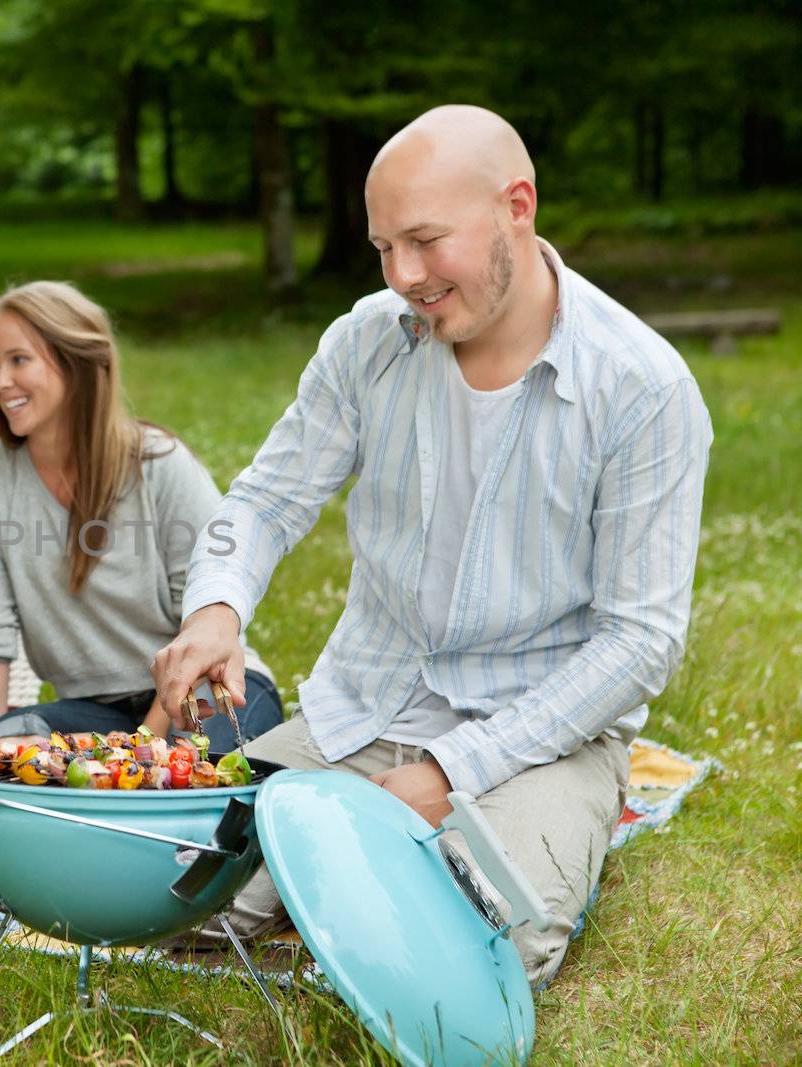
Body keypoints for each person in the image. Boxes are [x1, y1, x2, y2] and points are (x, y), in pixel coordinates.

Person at [151, 105, 712, 986]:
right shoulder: (367, 343)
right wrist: (217, 608)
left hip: (541, 742)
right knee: (173, 895)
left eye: (425, 240)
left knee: (481, 948)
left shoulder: (644, 388)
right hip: (365, 712)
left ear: (516, 206)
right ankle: (343, 863)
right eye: (383, 247)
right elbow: (266, 498)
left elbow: (639, 641)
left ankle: (494, 852)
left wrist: (454, 771)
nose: (403, 275)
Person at [0, 281, 282, 752]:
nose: (0, 381)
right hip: (94, 709)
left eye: (18, 360)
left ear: (78, 363)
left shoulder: (160, 466)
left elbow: (204, 613)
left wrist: (146, 746)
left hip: (208, 691)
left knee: (188, 769)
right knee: (10, 741)